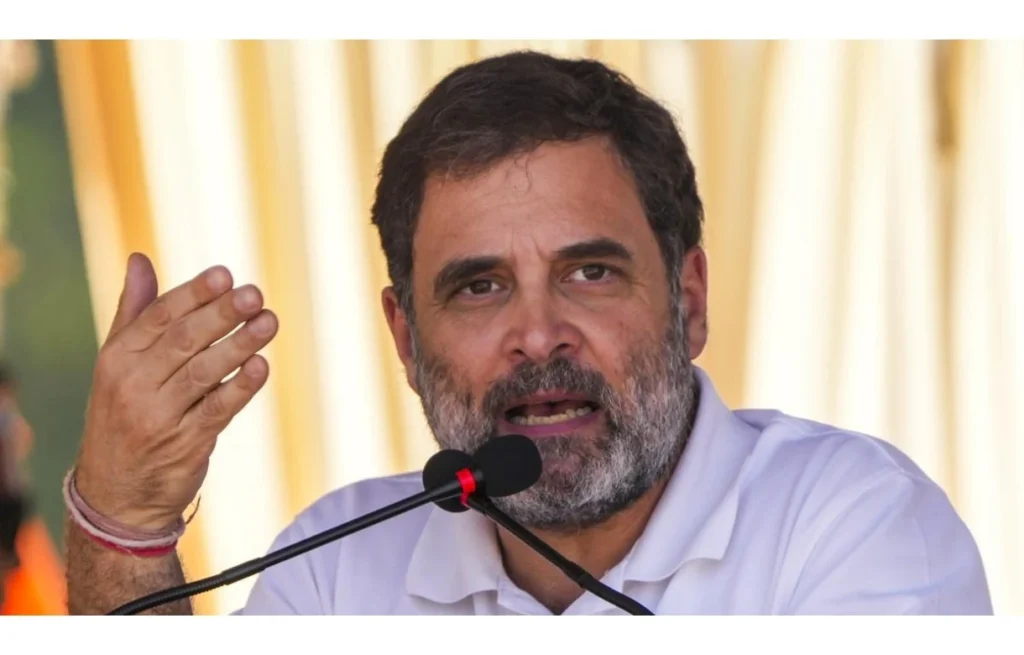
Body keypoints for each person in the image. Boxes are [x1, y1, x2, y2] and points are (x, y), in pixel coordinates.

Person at [63, 51, 992, 616]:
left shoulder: (854, 525)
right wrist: (125, 527)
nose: (538, 334)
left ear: (691, 297)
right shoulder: (339, 567)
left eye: (591, 272)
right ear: (404, 340)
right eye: (478, 286)